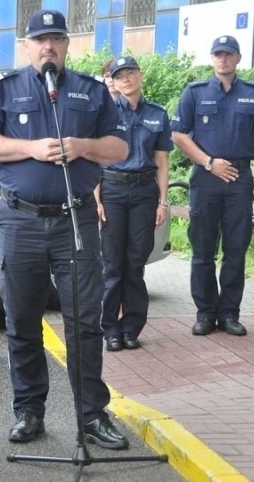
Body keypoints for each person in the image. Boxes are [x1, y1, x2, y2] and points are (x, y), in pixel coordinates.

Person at [0, 9, 131, 450]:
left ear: (66, 44)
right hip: (20, 220)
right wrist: (30, 148)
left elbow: (119, 147)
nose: (49, 47)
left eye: (56, 39)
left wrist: (83, 146)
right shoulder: (4, 90)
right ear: (27, 46)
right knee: (22, 320)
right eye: (40, 40)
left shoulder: (91, 92)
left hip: (75, 219)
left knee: (84, 322)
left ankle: (91, 416)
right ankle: (29, 411)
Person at [171, 35, 254, 337]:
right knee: (202, 250)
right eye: (218, 54)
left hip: (240, 180)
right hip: (205, 179)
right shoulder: (195, 92)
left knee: (235, 250)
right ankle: (205, 313)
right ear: (212, 58)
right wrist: (208, 162)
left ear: (238, 59)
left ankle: (229, 313)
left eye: (228, 54)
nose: (223, 59)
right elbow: (178, 135)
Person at [95, 55, 172, 351]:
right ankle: (111, 329)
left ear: (140, 76)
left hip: (143, 193)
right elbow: (96, 158)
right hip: (112, 191)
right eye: (119, 76)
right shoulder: (105, 113)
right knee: (112, 264)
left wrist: (163, 201)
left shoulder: (157, 114)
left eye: (130, 73)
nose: (126, 79)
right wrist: (96, 200)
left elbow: (162, 161)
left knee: (135, 262)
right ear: (112, 82)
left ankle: (132, 327)